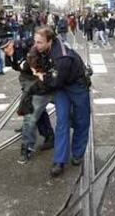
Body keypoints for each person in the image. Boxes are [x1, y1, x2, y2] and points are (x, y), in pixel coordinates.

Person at [32, 27, 91, 177]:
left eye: (39, 42)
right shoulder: (42, 47)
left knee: (82, 120)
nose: (36, 45)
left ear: (49, 41)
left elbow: (53, 82)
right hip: (61, 86)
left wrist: (40, 76)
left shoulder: (61, 58)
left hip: (76, 85)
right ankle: (59, 160)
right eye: (35, 41)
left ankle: (77, 153)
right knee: (62, 121)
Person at [0, 37, 54, 164]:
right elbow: (19, 68)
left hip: (40, 84)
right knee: (37, 111)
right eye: (2, 49)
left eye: (7, 47)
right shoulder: (10, 55)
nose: (6, 51)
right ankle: (49, 136)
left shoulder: (28, 51)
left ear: (12, 43)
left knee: (29, 117)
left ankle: (26, 148)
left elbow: (37, 70)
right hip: (29, 85)